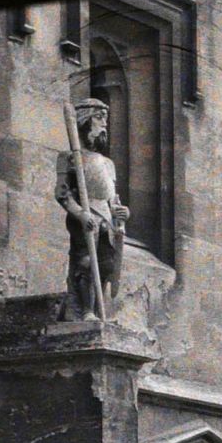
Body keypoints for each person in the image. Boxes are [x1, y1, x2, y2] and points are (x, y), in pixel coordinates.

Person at [55, 98, 127, 321]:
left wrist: (121, 212)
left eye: (105, 119)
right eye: (99, 118)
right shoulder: (68, 158)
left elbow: (112, 196)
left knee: (106, 263)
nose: (104, 124)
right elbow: (62, 193)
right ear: (85, 121)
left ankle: (99, 310)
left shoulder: (107, 163)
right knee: (86, 261)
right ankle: (85, 311)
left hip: (105, 215)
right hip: (84, 215)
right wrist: (80, 213)